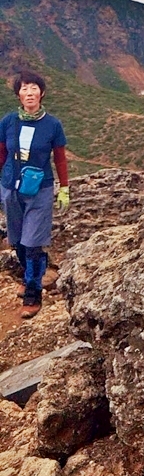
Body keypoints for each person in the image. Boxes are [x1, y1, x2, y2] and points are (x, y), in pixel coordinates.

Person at [0, 70, 70, 319]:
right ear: (18, 94)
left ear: (42, 93)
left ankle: (33, 293)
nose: (29, 93)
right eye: (24, 88)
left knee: (32, 243)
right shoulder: (8, 122)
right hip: (10, 188)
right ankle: (33, 275)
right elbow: (1, 154)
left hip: (39, 190)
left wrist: (64, 188)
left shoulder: (52, 124)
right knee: (18, 240)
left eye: (34, 88)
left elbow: (60, 159)